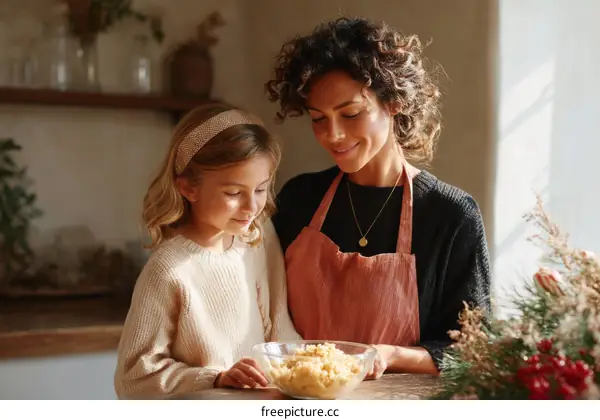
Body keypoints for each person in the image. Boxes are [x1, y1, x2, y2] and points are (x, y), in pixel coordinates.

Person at [265, 17, 491, 378]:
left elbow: (473, 349)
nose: (333, 135)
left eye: (351, 114)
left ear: (393, 104)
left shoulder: (450, 215)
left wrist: (389, 355)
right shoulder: (299, 199)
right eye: (318, 118)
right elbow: (262, 309)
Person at [113, 103, 300, 399]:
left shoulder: (257, 235)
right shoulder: (169, 269)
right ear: (189, 188)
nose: (251, 207)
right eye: (234, 193)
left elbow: (279, 326)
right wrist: (216, 378)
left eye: (261, 189)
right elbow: (134, 378)